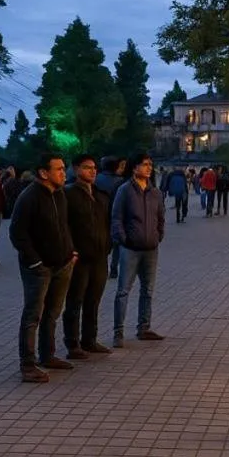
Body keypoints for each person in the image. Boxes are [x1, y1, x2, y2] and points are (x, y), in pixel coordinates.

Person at [8, 153, 77, 383]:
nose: (63, 173)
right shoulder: (29, 197)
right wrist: (35, 261)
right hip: (39, 267)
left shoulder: (59, 194)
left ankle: (48, 355)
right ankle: (28, 363)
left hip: (62, 263)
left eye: (63, 168)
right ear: (43, 173)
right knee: (33, 315)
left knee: (52, 313)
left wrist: (70, 251)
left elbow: (65, 225)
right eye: (58, 169)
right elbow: (17, 234)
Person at [111, 152, 166, 347]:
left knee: (148, 290)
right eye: (144, 164)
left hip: (151, 248)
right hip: (130, 248)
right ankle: (118, 332)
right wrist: (123, 239)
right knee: (123, 291)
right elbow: (116, 217)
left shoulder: (155, 192)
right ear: (134, 168)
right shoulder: (125, 190)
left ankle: (144, 327)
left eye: (150, 164)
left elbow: (160, 217)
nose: (149, 168)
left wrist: (159, 235)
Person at [63, 154, 114, 359]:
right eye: (87, 167)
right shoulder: (68, 194)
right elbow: (63, 225)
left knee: (93, 300)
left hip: (100, 256)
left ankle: (89, 339)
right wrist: (70, 250)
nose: (92, 171)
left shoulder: (100, 195)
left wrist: (108, 244)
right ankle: (72, 343)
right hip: (79, 257)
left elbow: (107, 223)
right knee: (75, 301)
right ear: (76, 170)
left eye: (94, 168)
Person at [95, 156, 126, 279]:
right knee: (117, 244)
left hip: (99, 215)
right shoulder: (121, 182)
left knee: (102, 243)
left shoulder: (96, 179)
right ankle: (113, 267)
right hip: (116, 216)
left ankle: (102, 266)